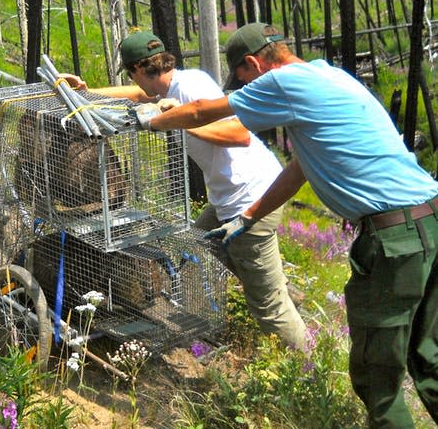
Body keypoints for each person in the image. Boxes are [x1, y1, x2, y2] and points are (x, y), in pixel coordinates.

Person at [140, 22, 438, 428]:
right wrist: (248, 217)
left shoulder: (282, 81)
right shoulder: (328, 74)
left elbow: (201, 112)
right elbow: (301, 167)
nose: (244, 90)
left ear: (253, 63)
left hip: (394, 239)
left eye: (243, 80)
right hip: (431, 222)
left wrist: (149, 122)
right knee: (429, 358)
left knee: (378, 381)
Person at [64, 30, 307, 349]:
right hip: (238, 193)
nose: (134, 83)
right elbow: (138, 97)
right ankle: (283, 291)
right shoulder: (178, 82)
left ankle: (307, 375)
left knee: (268, 309)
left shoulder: (188, 88)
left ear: (138, 69)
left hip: (249, 195)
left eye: (131, 74)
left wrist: (181, 120)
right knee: (204, 237)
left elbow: (239, 133)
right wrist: (88, 91)